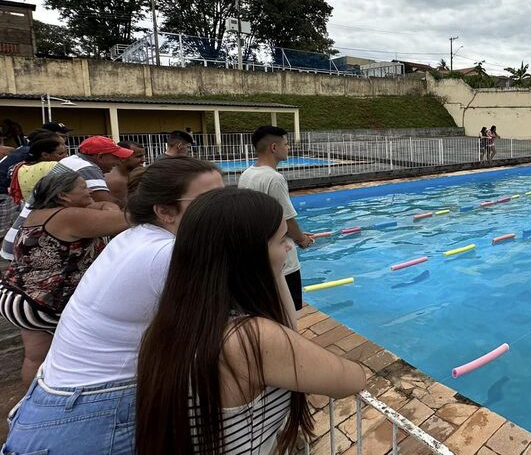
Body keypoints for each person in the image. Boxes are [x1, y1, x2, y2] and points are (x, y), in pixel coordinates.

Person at [3, 157, 223, 455]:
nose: (225, 208)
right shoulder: (166, 252)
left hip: (57, 406)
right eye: (211, 201)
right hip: (91, 412)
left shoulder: (136, 238)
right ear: (163, 211)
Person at [135, 189, 366, 454]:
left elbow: (288, 327)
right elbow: (351, 380)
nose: (289, 247)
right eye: (281, 240)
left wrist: (269, 269)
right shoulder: (250, 338)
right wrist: (271, 271)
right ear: (249, 256)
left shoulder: (171, 323)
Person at [0, 171, 128, 386]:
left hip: (18, 297)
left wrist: (98, 207)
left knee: (35, 358)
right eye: (83, 187)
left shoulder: (38, 214)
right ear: (63, 196)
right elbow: (124, 220)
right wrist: (108, 206)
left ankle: (31, 401)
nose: (89, 190)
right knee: (86, 354)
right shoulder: (68, 217)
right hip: (45, 303)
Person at [1, 136, 133, 262]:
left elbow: (104, 204)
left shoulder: (71, 161)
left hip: (18, 243)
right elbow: (116, 212)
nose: (119, 161)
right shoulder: (86, 168)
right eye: (116, 157)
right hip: (24, 251)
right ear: (100, 156)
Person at [237, 126, 314, 311]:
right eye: (286, 144)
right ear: (273, 147)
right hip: (282, 260)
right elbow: (287, 219)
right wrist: (301, 239)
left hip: (259, 254)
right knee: (288, 312)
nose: (289, 148)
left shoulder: (247, 174)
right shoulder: (274, 178)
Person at [0, 127, 67, 234]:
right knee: (4, 230)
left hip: (10, 193)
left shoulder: (24, 151)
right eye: (59, 143)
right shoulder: (30, 156)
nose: (63, 146)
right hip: (3, 194)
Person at [8, 135, 69, 205]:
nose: (65, 156)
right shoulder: (53, 165)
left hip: (29, 208)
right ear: (45, 155)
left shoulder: (20, 167)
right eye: (60, 154)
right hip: (50, 207)